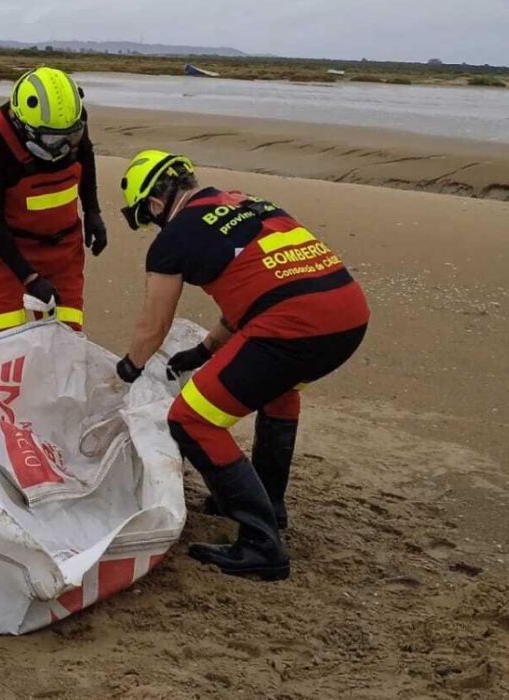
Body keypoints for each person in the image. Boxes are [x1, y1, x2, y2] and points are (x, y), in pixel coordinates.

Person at [114, 150, 369, 582]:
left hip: (294, 326)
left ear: (155, 204)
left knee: (191, 418)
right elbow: (258, 288)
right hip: (347, 316)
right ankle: (270, 503)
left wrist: (128, 369)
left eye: (147, 217)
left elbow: (153, 327)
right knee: (278, 393)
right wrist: (204, 350)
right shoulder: (245, 202)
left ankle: (261, 544)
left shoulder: (173, 238)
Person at [0, 66, 107, 337]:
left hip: (63, 247)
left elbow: (85, 155)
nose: (64, 148)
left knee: (66, 336)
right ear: (24, 126)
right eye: (53, 139)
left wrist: (93, 211)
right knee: (1, 340)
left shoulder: (70, 120)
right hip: (5, 249)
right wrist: (29, 278)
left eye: (71, 137)